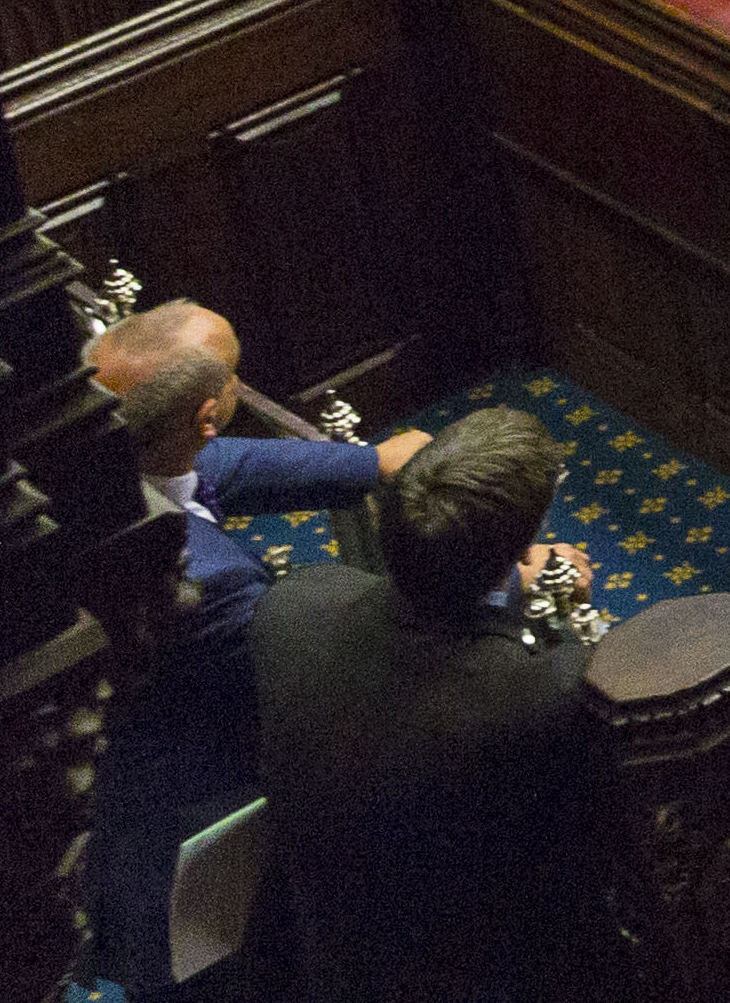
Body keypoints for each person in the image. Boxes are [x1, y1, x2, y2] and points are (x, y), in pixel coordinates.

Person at [248, 408, 607, 1002]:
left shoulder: (297, 605)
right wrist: (548, 602)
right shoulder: (545, 694)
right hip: (474, 970)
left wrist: (508, 585)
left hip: (313, 954)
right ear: (523, 541)